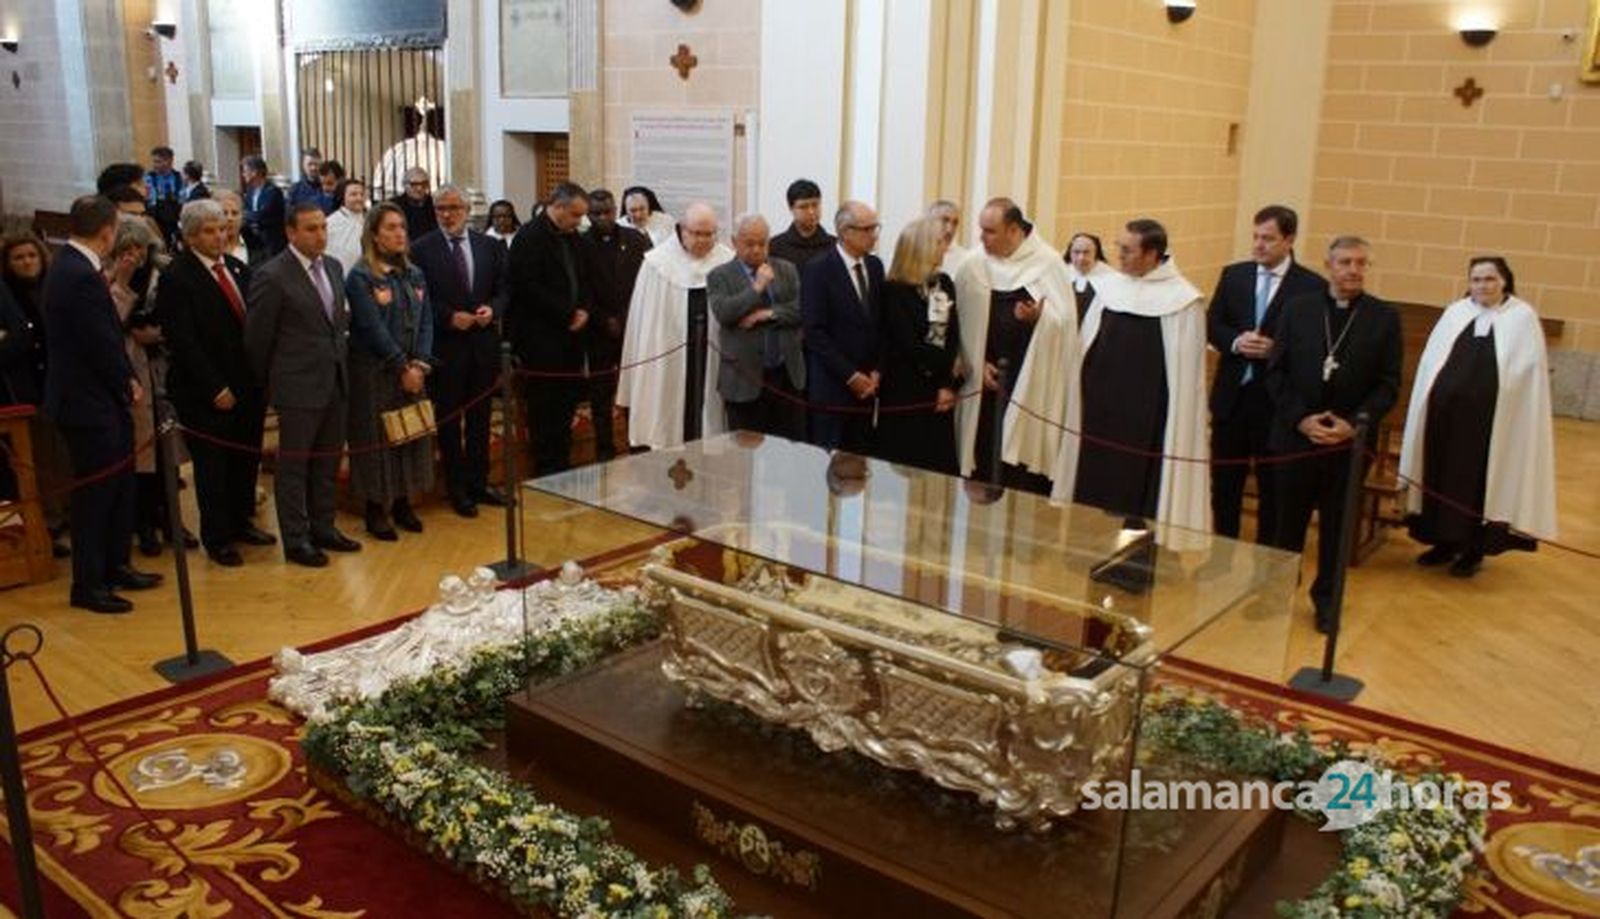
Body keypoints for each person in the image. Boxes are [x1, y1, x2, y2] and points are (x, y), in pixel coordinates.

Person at [1267, 236, 1401, 631]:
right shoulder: (1298, 310)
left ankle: (1328, 601)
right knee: (1284, 524)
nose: (1353, 270)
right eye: (1345, 262)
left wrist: (1354, 423)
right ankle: (1276, 594)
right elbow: (1276, 372)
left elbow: (1389, 383)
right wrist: (1301, 420)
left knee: (1337, 529)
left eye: (1361, 263)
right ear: (1329, 265)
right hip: (1295, 438)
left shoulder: (1383, 317)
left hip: (1348, 443)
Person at [1398, 256, 1556, 578]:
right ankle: (1441, 542)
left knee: (1477, 483)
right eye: (1476, 280)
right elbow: (1431, 365)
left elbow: (1527, 375)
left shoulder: (1521, 318)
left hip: (1490, 427)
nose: (1482, 286)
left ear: (1505, 282)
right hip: (1443, 423)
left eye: (1490, 279)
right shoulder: (1456, 313)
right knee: (1439, 476)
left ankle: (1473, 549)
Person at [42, 196, 162, 613]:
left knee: (119, 488)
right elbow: (99, 340)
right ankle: (89, 584)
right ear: (108, 231)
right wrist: (126, 381)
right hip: (88, 403)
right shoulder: (76, 273)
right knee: (96, 496)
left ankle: (116, 565)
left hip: (98, 401)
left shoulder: (73, 266)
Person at [244, 202, 361, 567]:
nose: (320, 235)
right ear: (291, 232)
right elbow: (258, 339)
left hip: (335, 380)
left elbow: (337, 325)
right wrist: (270, 386)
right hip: (297, 386)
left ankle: (323, 526)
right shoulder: (273, 275)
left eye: (323, 228)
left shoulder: (334, 267)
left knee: (327, 461)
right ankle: (296, 538)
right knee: (294, 466)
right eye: (311, 229)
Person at [1073, 218, 1209, 530]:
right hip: (1100, 413)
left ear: (1152, 255)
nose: (1118, 255)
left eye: (1127, 250)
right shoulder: (1110, 288)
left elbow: (1185, 376)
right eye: (1119, 247)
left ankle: (1134, 556)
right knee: (1095, 488)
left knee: (1138, 493)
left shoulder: (1183, 300)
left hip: (1147, 418)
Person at [158, 200, 273, 566]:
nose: (219, 236)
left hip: (247, 385)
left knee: (245, 458)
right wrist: (214, 387)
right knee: (213, 468)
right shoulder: (178, 277)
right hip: (206, 391)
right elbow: (183, 340)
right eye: (209, 230)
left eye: (222, 228)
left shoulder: (238, 269)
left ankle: (242, 522)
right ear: (191, 236)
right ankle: (218, 536)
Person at [1207, 205, 1325, 544]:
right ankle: (1223, 554)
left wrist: (1276, 349)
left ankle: (1266, 565)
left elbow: (1314, 346)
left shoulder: (1311, 287)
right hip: (1232, 398)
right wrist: (1234, 341)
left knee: (1274, 490)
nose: (1259, 245)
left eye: (1268, 239)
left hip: (1277, 405)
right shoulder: (1234, 275)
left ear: (1289, 240)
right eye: (1256, 237)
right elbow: (1213, 324)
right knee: (1225, 484)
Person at [953, 198, 1079, 495]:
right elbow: (956, 322)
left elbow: (1065, 325)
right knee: (981, 455)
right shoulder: (974, 263)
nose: (981, 238)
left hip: (1028, 380)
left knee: (1017, 472)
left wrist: (1040, 318)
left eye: (990, 231)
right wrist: (974, 361)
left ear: (1013, 230)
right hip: (981, 380)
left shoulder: (1047, 263)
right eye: (981, 230)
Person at [411, 184, 508, 517]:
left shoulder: (489, 246)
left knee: (481, 419)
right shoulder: (421, 249)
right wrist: (451, 317)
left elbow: (504, 289)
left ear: (467, 210)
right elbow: (420, 297)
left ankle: (479, 482)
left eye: (453, 207)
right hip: (447, 347)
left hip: (482, 346)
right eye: (440, 208)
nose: (447, 214)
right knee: (450, 421)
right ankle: (457, 488)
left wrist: (492, 311)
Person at [345, 202, 435, 540]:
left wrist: (421, 363)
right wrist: (401, 365)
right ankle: (375, 508)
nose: (400, 234)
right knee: (376, 439)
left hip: (413, 369)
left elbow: (426, 320)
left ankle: (402, 502)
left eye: (403, 228)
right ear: (374, 235)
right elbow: (371, 327)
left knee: (408, 437)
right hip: (376, 372)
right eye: (391, 228)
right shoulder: (361, 276)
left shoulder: (415, 273)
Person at [617, 202, 734, 450]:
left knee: (710, 423)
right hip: (668, 357)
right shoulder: (656, 263)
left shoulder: (726, 260)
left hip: (711, 357)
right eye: (697, 233)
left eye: (709, 234)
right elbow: (643, 324)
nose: (704, 240)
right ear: (681, 230)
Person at [507, 182, 591, 476]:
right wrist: (567, 313)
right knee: (544, 407)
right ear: (558, 207)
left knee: (566, 404)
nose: (579, 222)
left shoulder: (574, 239)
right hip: (541, 339)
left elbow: (584, 278)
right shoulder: (529, 237)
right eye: (575, 215)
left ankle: (562, 463)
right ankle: (546, 467)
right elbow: (526, 287)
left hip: (571, 339)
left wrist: (583, 309)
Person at [707, 213, 804, 440]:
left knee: (789, 454)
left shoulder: (786, 269)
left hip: (786, 377)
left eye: (763, 243)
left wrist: (767, 314)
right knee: (745, 455)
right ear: (734, 241)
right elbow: (725, 313)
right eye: (749, 243)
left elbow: (802, 309)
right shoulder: (719, 275)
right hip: (744, 380)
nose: (757, 249)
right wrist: (757, 287)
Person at [878, 216, 962, 474]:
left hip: (939, 391)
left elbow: (951, 335)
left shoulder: (943, 283)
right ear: (920, 247)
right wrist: (949, 365)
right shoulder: (894, 289)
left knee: (938, 465)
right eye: (938, 242)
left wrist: (947, 384)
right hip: (906, 390)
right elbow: (909, 344)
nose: (944, 248)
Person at [1, 233, 68, 556]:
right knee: (40, 457)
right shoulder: (9, 296)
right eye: (19, 258)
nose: (27, 262)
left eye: (31, 255)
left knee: (61, 454)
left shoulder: (53, 288)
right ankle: (49, 522)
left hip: (61, 383)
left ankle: (65, 514)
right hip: (28, 388)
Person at [802, 200, 884, 453]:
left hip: (868, 389)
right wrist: (850, 376)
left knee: (860, 465)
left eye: (876, 227)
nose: (874, 235)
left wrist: (878, 369)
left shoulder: (875, 266)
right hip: (833, 388)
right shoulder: (818, 269)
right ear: (846, 232)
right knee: (827, 467)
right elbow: (814, 332)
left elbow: (881, 323)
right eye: (868, 229)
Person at [581, 189, 651, 461]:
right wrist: (602, 319)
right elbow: (581, 287)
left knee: (636, 387)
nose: (603, 218)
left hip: (632, 324)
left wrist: (624, 317)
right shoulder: (581, 243)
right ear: (588, 215)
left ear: (615, 210)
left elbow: (645, 283)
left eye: (607, 211)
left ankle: (637, 443)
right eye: (596, 213)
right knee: (600, 395)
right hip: (597, 330)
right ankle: (604, 450)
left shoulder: (635, 240)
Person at [768, 179, 836, 272]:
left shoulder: (834, 246)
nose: (811, 212)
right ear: (791, 208)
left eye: (815, 205)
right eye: (803, 207)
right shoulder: (775, 247)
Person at [240, 155, 287, 264]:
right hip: (254, 242)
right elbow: (246, 212)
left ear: (254, 172)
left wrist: (245, 215)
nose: (243, 175)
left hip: (272, 244)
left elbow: (261, 216)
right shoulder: (250, 191)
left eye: (245, 171)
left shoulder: (273, 192)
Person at [1064, 232, 1113, 324]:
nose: (1081, 258)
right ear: (1070, 253)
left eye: (1086, 252)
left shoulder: (1110, 278)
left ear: (1096, 253)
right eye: (1076, 252)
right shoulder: (1061, 274)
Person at [325, 178, 369, 272]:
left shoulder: (370, 220)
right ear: (342, 197)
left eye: (362, 194)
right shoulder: (331, 223)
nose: (359, 198)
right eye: (353, 194)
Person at [391, 167, 440, 242]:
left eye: (424, 184)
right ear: (404, 185)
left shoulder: (435, 204)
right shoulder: (394, 206)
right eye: (414, 184)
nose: (419, 188)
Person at [145, 146, 183, 242]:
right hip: (156, 218)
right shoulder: (149, 178)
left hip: (175, 218)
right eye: (154, 161)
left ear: (169, 161)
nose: (154, 165)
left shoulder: (179, 178)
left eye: (158, 162)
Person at [927, 199, 970, 277]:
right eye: (944, 220)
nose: (950, 229)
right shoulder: (914, 253)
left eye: (955, 223)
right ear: (929, 222)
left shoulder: (966, 259)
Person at [212, 188, 250, 264]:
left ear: (242, 216)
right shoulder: (204, 249)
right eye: (224, 213)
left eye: (235, 213)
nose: (230, 218)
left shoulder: (258, 247)